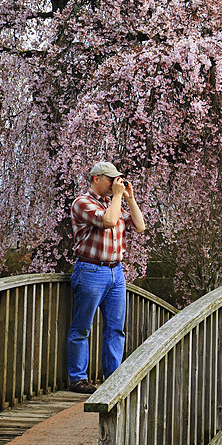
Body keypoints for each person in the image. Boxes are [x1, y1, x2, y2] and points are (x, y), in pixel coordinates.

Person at [67, 162, 146, 394]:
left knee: (116, 328)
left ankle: (113, 377)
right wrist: (118, 197)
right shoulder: (82, 203)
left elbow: (140, 226)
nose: (114, 184)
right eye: (110, 179)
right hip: (91, 270)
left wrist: (129, 198)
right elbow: (109, 221)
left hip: (116, 272)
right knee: (82, 327)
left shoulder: (114, 204)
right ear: (96, 178)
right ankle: (78, 378)